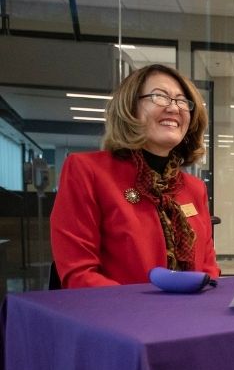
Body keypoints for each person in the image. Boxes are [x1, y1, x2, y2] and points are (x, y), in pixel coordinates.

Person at [50, 64, 220, 288]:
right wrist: (144, 316)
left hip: (190, 319)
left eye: (181, 101)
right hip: (117, 318)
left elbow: (209, 270)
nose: (174, 108)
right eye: (160, 96)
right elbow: (79, 273)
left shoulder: (194, 188)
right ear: (130, 108)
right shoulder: (86, 171)